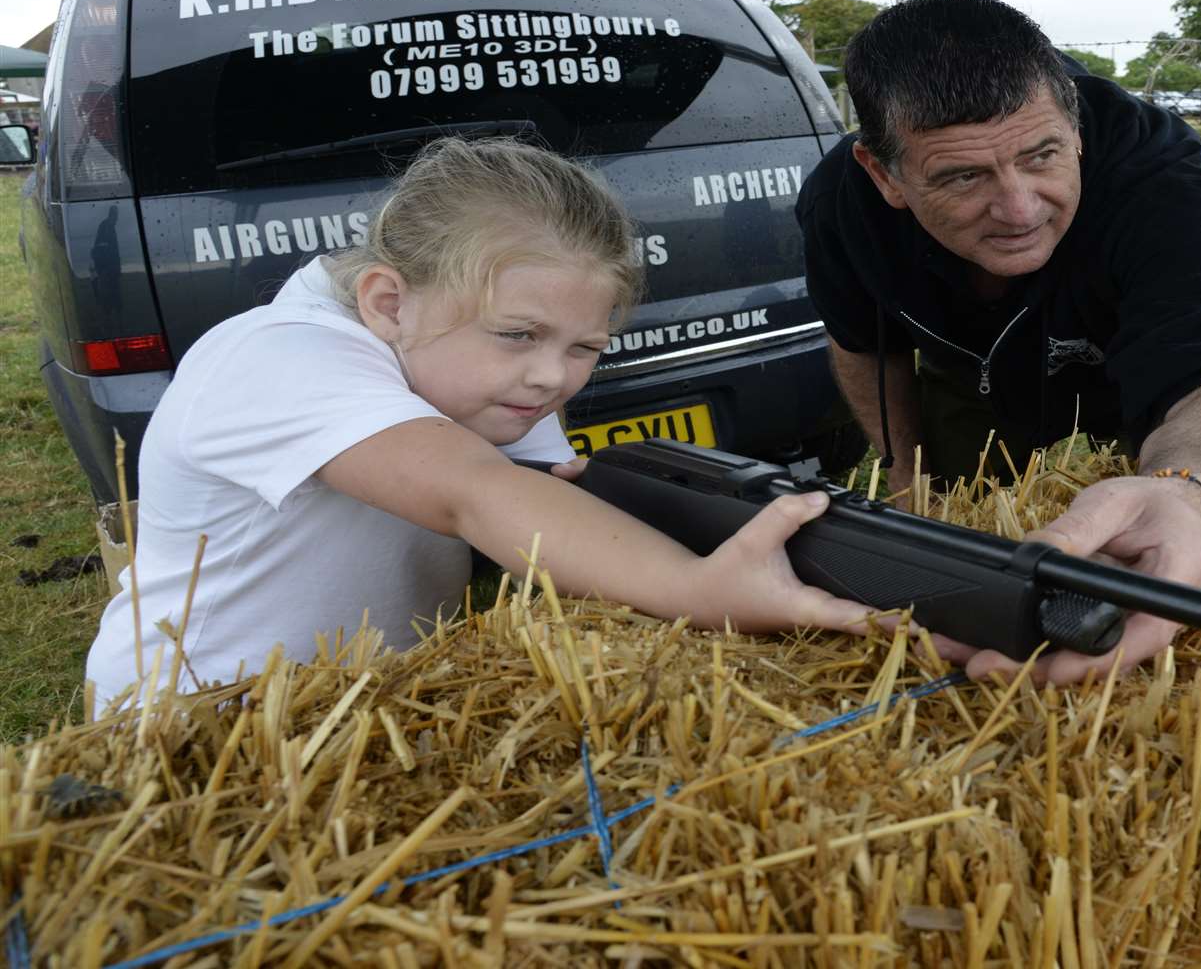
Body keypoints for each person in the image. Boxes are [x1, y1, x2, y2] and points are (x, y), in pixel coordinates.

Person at [86, 138, 871, 710]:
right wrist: (700, 590)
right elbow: (475, 492)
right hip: (193, 716)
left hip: (359, 706)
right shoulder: (275, 356)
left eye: (584, 347)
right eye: (519, 335)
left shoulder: (479, 373)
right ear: (388, 301)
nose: (553, 377)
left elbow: (554, 517)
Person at [798, 0, 1201, 686]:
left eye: (1043, 156)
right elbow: (861, 343)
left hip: (1135, 391)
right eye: (963, 176)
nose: (1019, 209)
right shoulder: (839, 208)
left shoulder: (1169, 190)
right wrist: (907, 474)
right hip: (964, 376)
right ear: (884, 175)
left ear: (1076, 125)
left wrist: (1191, 492)